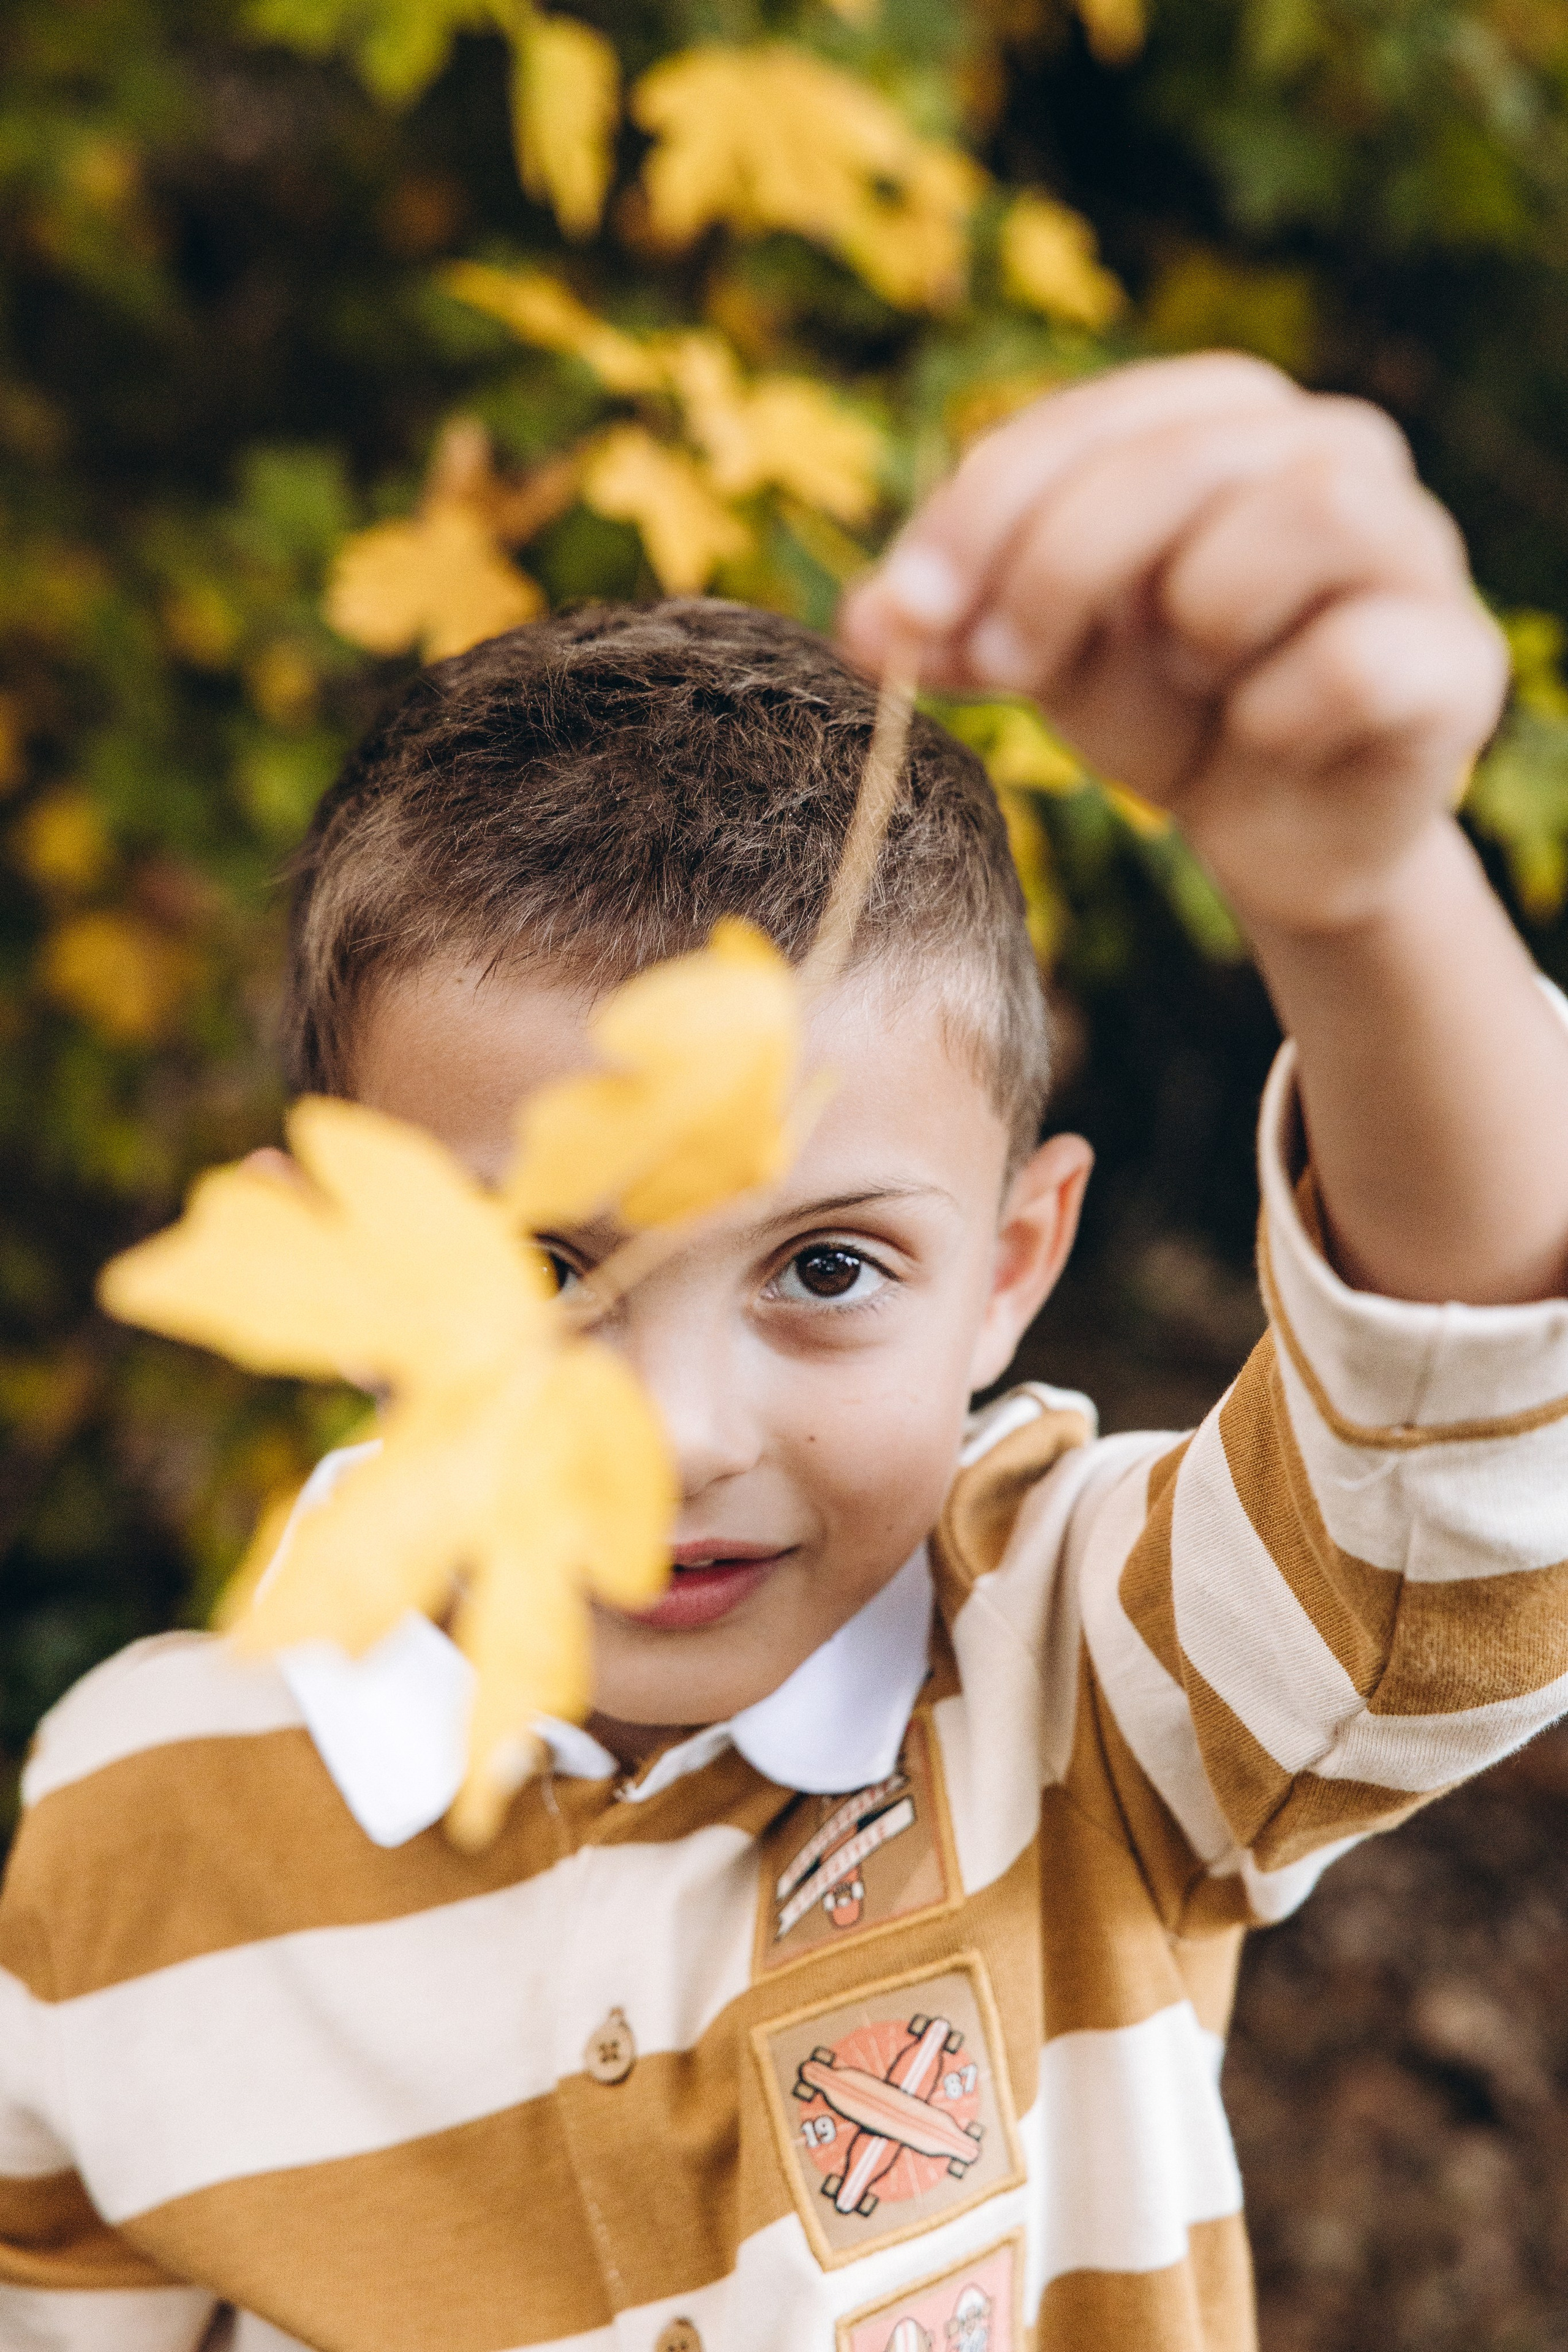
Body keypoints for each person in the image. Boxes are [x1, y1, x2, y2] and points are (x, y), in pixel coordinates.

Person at [4, 352, 1567, 2352]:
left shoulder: (1080, 1666)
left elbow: (1455, 1472)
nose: (671, 1430)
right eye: (535, 1268)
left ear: (1014, 1266)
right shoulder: (134, 1827)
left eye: (824, 1268)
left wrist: (1359, 901)